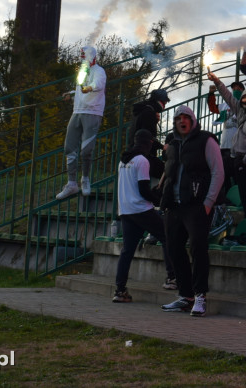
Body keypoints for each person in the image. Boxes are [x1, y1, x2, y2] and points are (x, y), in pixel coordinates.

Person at [158, 106, 225, 317]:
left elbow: (218, 172)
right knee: (174, 249)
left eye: (186, 118)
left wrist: (208, 202)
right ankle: (185, 296)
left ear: (193, 120)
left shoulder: (206, 140)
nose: (182, 121)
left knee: (198, 249)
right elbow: (168, 173)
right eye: (178, 119)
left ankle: (200, 296)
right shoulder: (173, 144)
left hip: (197, 205)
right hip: (174, 206)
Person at [113, 129, 172, 303]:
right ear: (148, 143)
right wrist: (157, 200)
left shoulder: (123, 161)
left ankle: (120, 290)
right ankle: (171, 278)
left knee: (127, 251)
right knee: (166, 236)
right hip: (141, 208)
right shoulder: (142, 161)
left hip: (125, 210)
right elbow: (143, 190)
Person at [209, 71, 246, 219]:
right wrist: (217, 81)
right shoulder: (241, 112)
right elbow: (228, 97)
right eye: (244, 98)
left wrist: (244, 161)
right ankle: (220, 206)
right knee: (217, 178)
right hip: (235, 157)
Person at [56, 46, 106, 199]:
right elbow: (80, 89)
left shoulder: (99, 71)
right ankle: (72, 184)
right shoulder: (82, 71)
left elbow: (98, 84)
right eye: (82, 56)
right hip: (77, 111)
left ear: (92, 57)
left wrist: (90, 87)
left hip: (92, 112)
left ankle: (85, 179)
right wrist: (71, 94)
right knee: (69, 147)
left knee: (86, 150)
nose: (82, 59)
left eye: (85, 56)